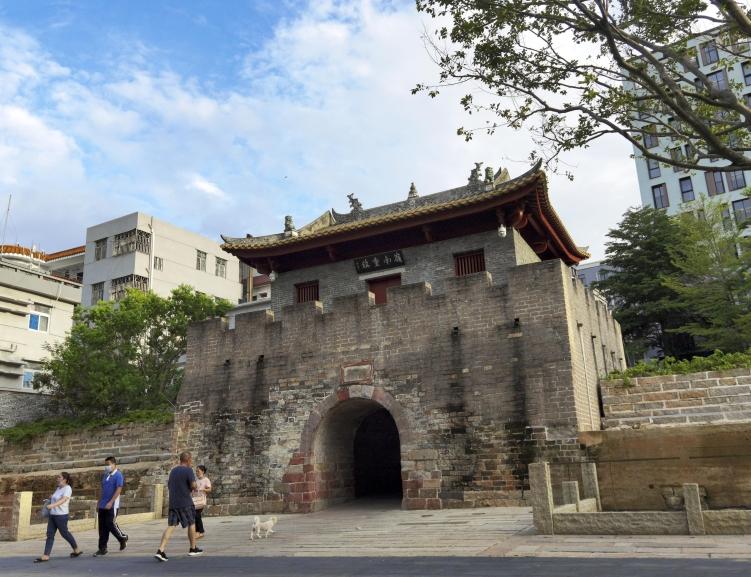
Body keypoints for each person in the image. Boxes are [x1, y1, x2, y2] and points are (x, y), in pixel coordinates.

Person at [155, 452, 203, 561]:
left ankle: (160, 550)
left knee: (171, 526)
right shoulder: (188, 470)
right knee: (191, 523)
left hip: (173, 503)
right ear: (188, 460)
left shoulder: (173, 471)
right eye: (191, 460)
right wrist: (195, 487)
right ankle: (193, 548)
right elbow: (193, 485)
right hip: (185, 502)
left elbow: (169, 485)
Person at [34, 472, 83, 563]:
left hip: (61, 515)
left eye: (59, 477)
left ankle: (76, 549)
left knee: (65, 533)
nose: (57, 478)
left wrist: (52, 505)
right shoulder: (58, 488)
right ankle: (46, 555)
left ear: (65, 480)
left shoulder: (67, 488)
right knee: (50, 535)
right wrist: (51, 497)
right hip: (53, 515)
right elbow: (56, 498)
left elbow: (63, 499)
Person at [94, 456, 128, 556]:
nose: (106, 466)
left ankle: (122, 538)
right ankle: (102, 548)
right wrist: (98, 502)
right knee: (102, 527)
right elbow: (102, 489)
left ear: (114, 464)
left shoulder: (118, 475)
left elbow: (119, 489)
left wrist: (111, 502)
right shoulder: (105, 475)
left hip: (112, 505)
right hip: (102, 505)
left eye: (108, 464)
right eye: (105, 465)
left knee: (110, 523)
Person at [192, 465, 212, 539]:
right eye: (196, 471)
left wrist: (203, 489)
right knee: (195, 515)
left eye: (198, 471)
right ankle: (198, 532)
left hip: (201, 500)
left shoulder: (206, 480)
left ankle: (200, 531)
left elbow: (209, 489)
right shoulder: (196, 480)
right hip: (195, 500)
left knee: (197, 515)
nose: (197, 473)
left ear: (203, 471)